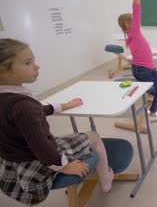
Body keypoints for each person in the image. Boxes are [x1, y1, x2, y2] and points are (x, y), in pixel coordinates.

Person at [0, 39, 114, 205]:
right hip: (37, 159)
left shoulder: (9, 100)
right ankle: (106, 179)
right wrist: (62, 165)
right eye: (28, 63)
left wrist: (66, 105)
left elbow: (36, 111)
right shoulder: (23, 106)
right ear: (2, 71)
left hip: (13, 159)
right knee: (94, 136)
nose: (36, 66)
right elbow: (40, 145)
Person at [118, 0, 157, 121]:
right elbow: (137, 8)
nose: (137, 20)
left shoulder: (130, 36)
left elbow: (140, 50)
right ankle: (152, 113)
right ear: (129, 25)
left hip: (138, 68)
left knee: (154, 86)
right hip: (146, 70)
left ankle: (149, 98)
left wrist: (150, 53)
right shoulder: (135, 31)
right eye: (133, 20)